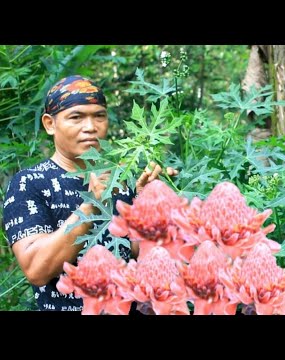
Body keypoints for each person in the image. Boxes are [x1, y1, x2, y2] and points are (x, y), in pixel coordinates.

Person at [2, 75, 177, 311]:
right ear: (49, 124)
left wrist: (148, 206)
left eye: (99, 116)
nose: (90, 127)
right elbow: (36, 269)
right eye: (76, 117)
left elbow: (135, 254)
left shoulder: (120, 180)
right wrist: (91, 204)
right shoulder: (29, 183)